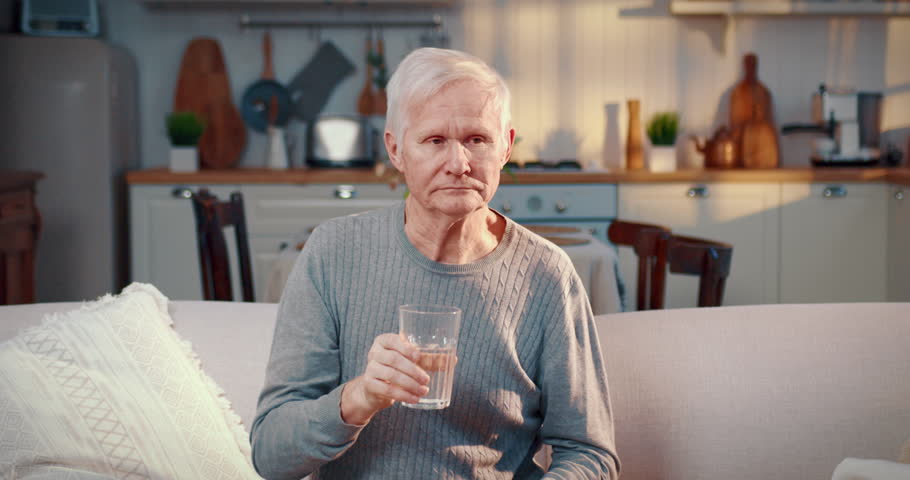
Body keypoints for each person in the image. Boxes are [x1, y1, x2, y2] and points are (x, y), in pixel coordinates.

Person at [251, 47, 619, 480]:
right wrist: (359, 398)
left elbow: (590, 454)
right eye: (435, 141)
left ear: (506, 147)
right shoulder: (333, 252)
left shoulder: (547, 273)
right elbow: (270, 455)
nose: (459, 164)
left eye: (477, 140)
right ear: (396, 150)